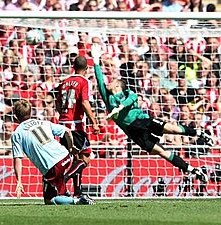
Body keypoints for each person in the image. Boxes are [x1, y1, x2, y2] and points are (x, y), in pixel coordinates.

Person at [91, 43, 213, 183]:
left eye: (112, 82)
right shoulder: (108, 98)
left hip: (143, 120)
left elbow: (133, 98)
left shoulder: (127, 92)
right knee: (162, 152)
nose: (109, 83)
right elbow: (99, 78)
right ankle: (193, 170)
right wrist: (95, 60)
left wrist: (120, 108)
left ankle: (199, 133)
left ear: (118, 85)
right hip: (133, 131)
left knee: (172, 129)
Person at [11, 99, 94, 205]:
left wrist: (19, 180)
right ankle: (67, 193)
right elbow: (67, 131)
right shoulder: (43, 122)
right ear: (30, 113)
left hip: (52, 167)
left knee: (49, 200)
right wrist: (70, 148)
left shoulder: (17, 134)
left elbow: (18, 158)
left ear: (15, 117)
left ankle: (78, 200)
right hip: (65, 157)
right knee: (57, 184)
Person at [56, 56, 100, 197]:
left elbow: (57, 104)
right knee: (86, 157)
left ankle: (78, 191)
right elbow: (84, 103)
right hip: (76, 126)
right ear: (86, 69)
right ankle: (65, 178)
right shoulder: (84, 81)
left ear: (73, 66)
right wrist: (94, 122)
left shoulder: (64, 82)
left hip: (63, 125)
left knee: (76, 158)